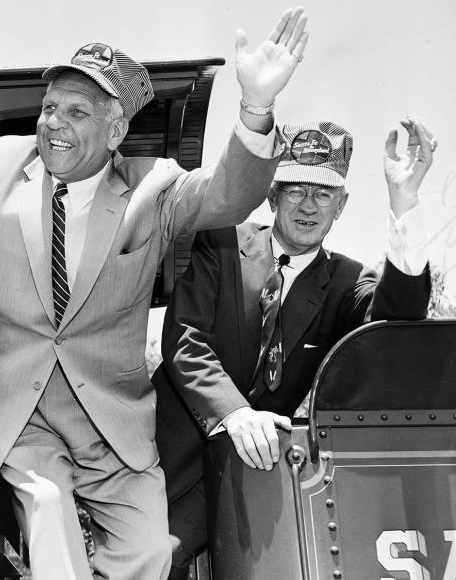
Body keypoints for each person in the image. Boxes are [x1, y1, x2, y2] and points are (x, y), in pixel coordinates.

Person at [0, 7, 309, 579]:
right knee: (50, 516)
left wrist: (255, 110)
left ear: (116, 131)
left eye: (77, 111)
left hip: (113, 420)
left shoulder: (154, 187)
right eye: (50, 106)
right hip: (21, 408)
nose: (54, 123)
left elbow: (228, 196)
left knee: (151, 551)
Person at [154, 118, 436, 579]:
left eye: (324, 194)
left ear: (341, 206)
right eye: (295, 190)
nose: (309, 205)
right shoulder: (222, 242)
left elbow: (397, 321)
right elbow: (184, 337)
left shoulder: (348, 281)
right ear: (271, 197)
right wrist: (233, 412)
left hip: (247, 474)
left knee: (167, 558)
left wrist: (404, 203)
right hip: (161, 453)